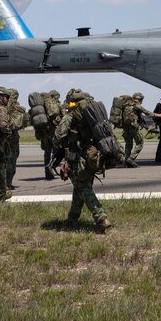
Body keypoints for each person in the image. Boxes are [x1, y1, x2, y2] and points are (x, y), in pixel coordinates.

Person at [53, 89, 111, 233]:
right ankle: (72, 220)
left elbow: (58, 136)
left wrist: (59, 144)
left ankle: (101, 217)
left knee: (82, 187)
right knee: (80, 187)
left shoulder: (72, 115)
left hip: (77, 157)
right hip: (93, 155)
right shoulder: (92, 114)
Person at [119, 92, 156, 168]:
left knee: (128, 144)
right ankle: (131, 159)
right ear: (140, 99)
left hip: (125, 127)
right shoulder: (137, 106)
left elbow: (141, 117)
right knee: (140, 143)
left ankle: (126, 162)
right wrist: (159, 115)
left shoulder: (126, 106)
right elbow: (146, 113)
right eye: (142, 99)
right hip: (133, 127)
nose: (142, 101)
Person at [1, 86, 27, 191]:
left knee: (3, 162)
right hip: (11, 139)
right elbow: (18, 124)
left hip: (1, 138)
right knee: (11, 161)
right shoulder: (16, 108)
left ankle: (4, 183)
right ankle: (7, 184)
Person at [34, 90, 63, 180]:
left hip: (44, 133)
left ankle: (48, 174)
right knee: (56, 152)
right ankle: (52, 167)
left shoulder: (41, 106)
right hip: (53, 132)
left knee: (47, 153)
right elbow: (62, 116)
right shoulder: (54, 105)